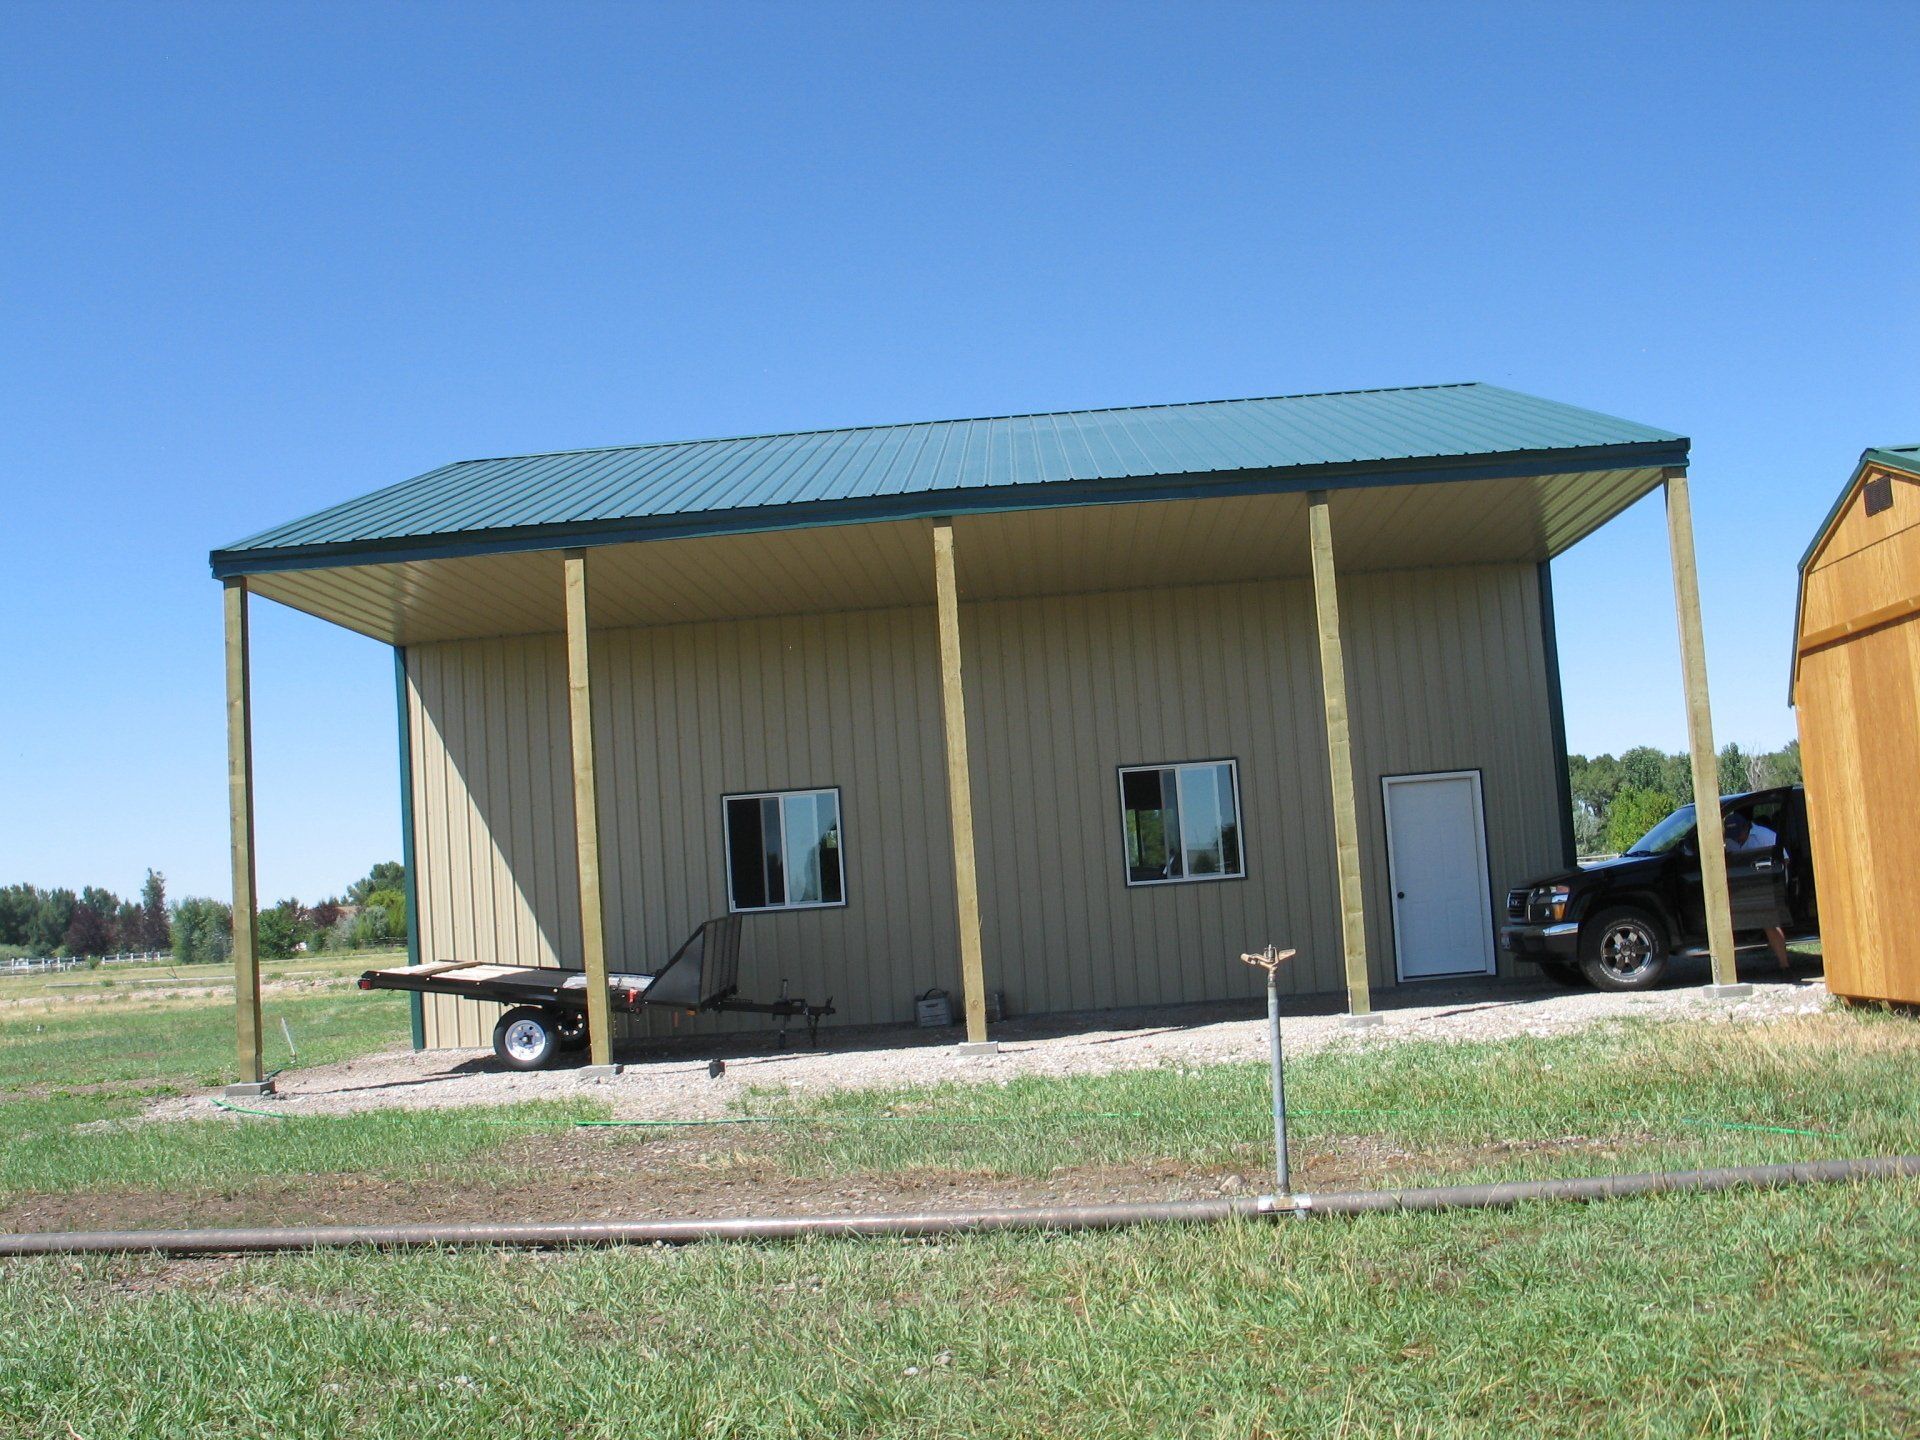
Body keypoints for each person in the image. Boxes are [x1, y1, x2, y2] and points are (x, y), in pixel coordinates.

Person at [1724, 810, 1793, 972]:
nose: (1737, 838)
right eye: (1733, 835)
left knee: (1770, 923)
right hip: (1743, 886)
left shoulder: (1765, 836)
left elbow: (1785, 860)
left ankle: (1785, 966)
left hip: (1767, 883)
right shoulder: (1730, 839)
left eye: (1740, 833)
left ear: (1747, 827)